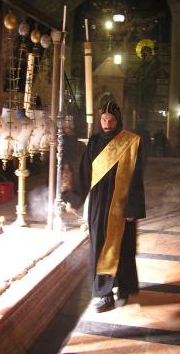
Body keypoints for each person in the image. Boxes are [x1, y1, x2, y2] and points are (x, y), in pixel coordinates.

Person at [64, 100, 146, 312]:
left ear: (118, 121)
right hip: (100, 205)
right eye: (103, 120)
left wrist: (133, 208)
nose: (106, 124)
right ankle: (104, 293)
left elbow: (137, 178)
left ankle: (124, 287)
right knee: (100, 247)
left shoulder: (131, 141)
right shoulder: (93, 142)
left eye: (110, 120)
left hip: (123, 204)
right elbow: (84, 173)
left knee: (124, 248)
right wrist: (74, 198)